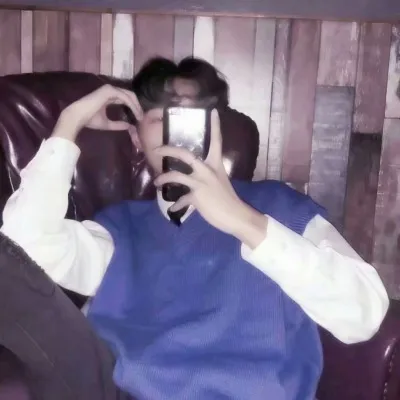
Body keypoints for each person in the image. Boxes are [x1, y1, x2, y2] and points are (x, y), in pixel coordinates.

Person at [0, 57, 389, 400]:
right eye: (160, 118)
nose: (176, 134)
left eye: (190, 118)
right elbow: (21, 255)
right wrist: (68, 125)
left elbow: (365, 314)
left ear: (217, 129)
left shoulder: (280, 207)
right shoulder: (120, 229)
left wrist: (243, 221)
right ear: (136, 138)